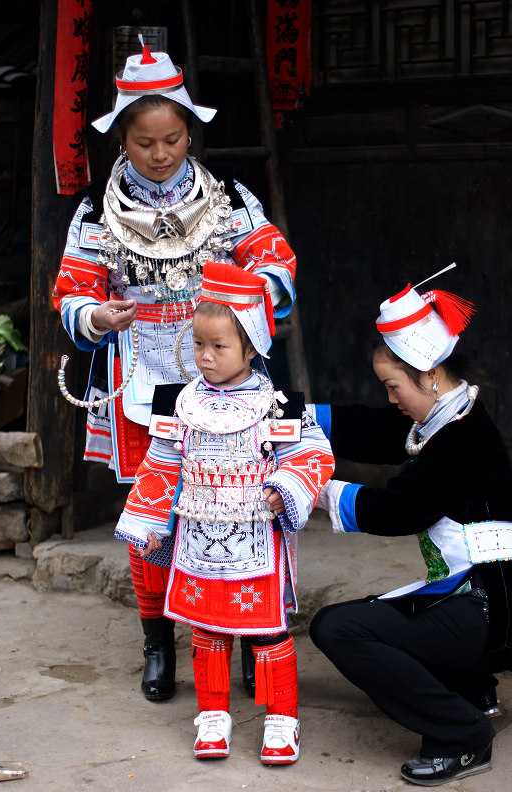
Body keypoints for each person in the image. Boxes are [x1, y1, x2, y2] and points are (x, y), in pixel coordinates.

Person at [52, 39, 297, 703]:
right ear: (122, 143)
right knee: (153, 516)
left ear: (189, 132)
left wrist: (246, 300)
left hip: (230, 374)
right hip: (144, 378)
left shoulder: (229, 199)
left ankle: (248, 632)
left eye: (173, 139)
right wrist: (96, 318)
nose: (161, 155)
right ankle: (158, 642)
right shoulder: (94, 215)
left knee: (243, 501)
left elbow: (277, 262)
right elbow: (70, 291)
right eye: (145, 143)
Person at [114, 261, 334, 764]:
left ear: (252, 346)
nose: (206, 357)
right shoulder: (182, 405)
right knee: (208, 630)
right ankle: (212, 715)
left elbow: (313, 455)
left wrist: (287, 485)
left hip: (258, 545)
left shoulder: (278, 407)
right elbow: (161, 464)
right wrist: (148, 523)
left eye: (219, 346)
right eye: (198, 344)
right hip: (197, 545)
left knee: (267, 631)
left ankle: (282, 718)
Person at [309, 274, 512, 786]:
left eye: (393, 386)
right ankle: (472, 688)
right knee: (414, 607)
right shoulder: (454, 416)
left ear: (430, 374)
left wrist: (312, 488)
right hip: (492, 599)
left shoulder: (460, 440)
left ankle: (461, 734)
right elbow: (376, 430)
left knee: (338, 628)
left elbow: (397, 510)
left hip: (492, 608)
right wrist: (292, 413)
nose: (392, 399)